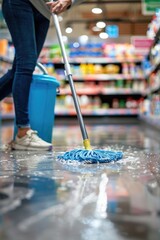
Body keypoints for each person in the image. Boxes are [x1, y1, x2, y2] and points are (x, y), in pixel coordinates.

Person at [0, 0, 82, 151]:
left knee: (20, 69)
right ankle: (23, 134)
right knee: (25, 65)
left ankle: (22, 135)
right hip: (21, 2)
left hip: (45, 10)